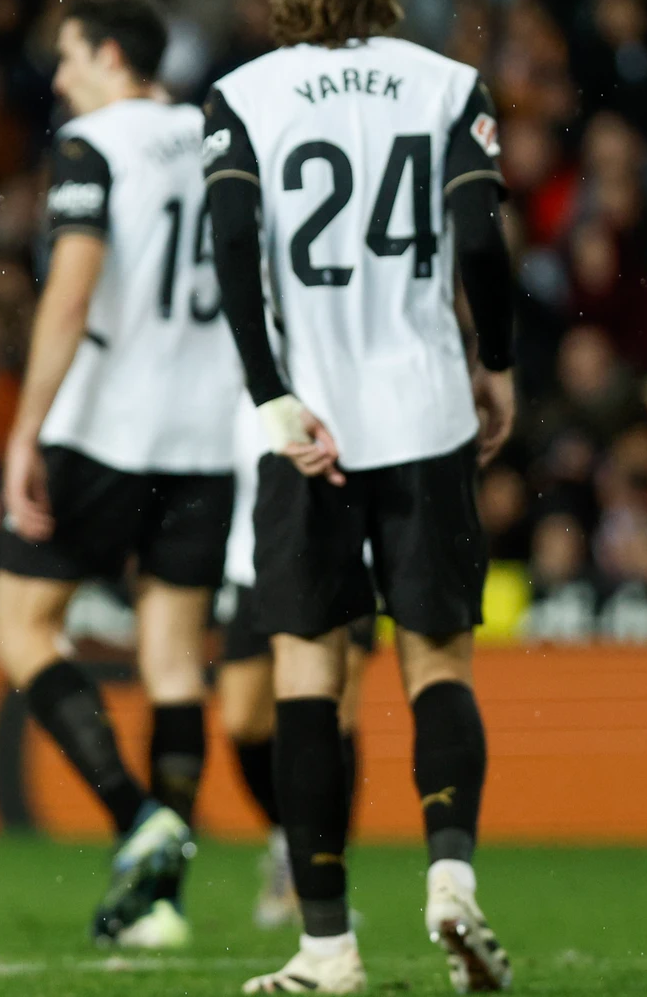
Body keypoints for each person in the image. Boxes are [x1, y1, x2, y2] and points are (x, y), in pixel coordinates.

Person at [202, 0, 518, 989]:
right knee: (437, 660)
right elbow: (482, 242)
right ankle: (450, 877)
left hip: (309, 430)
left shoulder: (244, 95)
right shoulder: (447, 85)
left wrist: (271, 395)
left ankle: (326, 946)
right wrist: (497, 363)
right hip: (425, 411)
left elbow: (232, 252)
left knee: (306, 672)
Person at [0, 0, 240, 949]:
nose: (59, 77)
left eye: (68, 55)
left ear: (109, 55)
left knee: (22, 627)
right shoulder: (217, 134)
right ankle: (161, 901)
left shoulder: (94, 147)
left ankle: (139, 818)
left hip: (106, 428)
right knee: (173, 657)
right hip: (207, 434)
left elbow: (71, 291)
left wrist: (25, 430)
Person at [217, 392, 374, 931]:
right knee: (243, 720)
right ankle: (290, 838)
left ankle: (324, 873)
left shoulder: (341, 369)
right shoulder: (246, 378)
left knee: (337, 713)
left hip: (348, 550)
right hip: (254, 558)